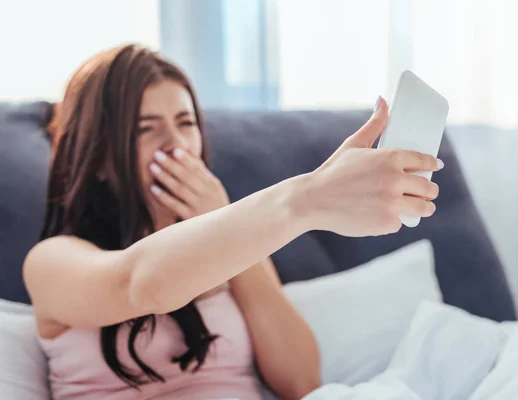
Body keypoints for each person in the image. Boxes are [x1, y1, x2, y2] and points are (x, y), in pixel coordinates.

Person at [23, 44, 442, 400]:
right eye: (144, 130)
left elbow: (301, 382)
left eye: (186, 124)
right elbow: (140, 285)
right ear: (97, 158)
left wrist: (226, 222)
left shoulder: (236, 253)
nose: (175, 144)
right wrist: (308, 198)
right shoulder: (53, 260)